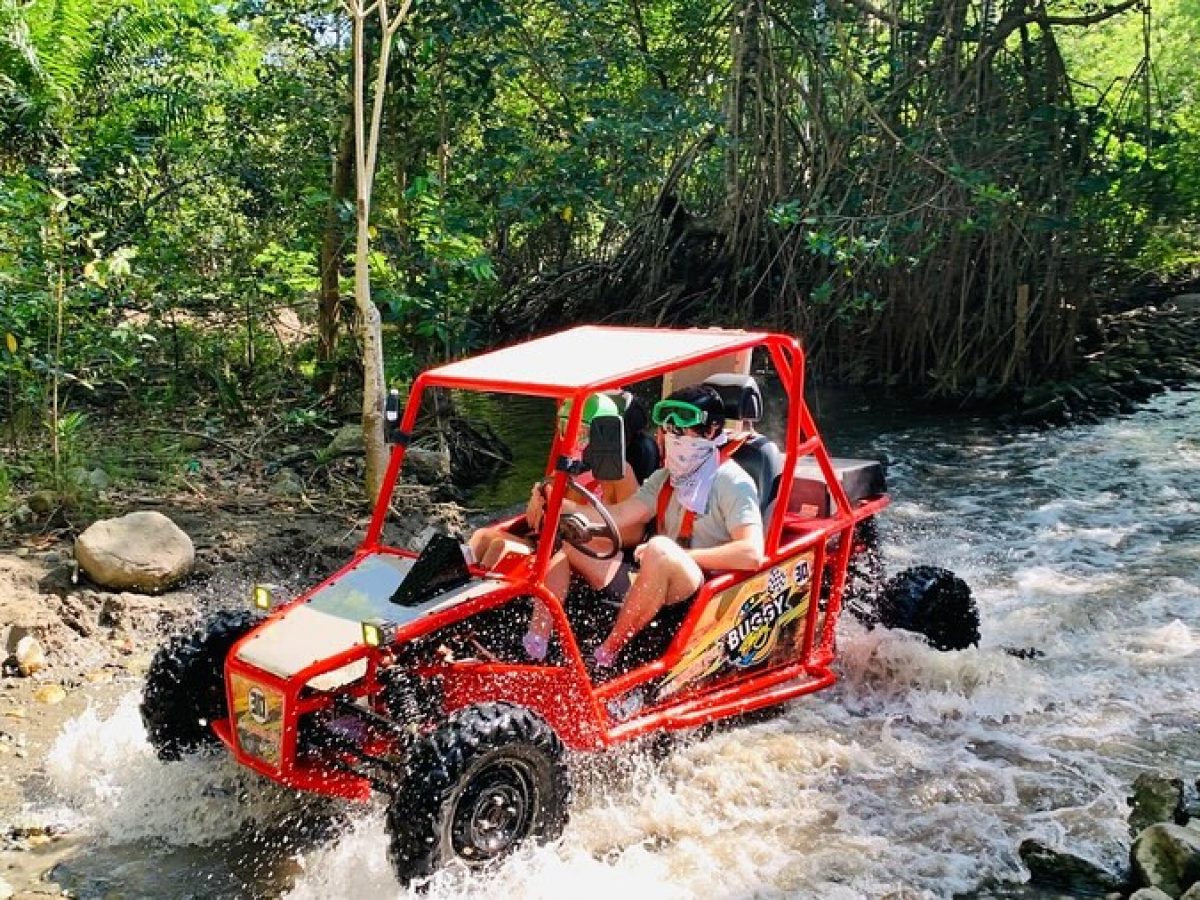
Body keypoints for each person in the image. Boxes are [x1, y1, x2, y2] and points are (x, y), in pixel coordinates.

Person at [538, 383, 765, 668]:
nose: (671, 438)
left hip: (706, 585)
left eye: (680, 432)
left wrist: (682, 556)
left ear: (711, 432)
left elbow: (751, 554)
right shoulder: (665, 477)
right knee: (569, 544)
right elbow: (620, 515)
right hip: (655, 572)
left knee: (660, 547)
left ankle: (606, 656)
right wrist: (560, 505)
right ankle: (537, 644)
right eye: (667, 431)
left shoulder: (731, 481)